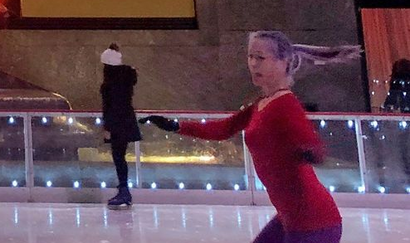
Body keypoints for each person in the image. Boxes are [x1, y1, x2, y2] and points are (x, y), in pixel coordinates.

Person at [142, 30, 359, 243]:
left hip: (313, 223)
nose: (253, 64)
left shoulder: (286, 105)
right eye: (251, 57)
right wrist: (176, 126)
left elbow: (313, 145)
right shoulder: (263, 103)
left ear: (283, 62)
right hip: (291, 218)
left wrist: (309, 151)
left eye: (261, 58)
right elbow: (224, 128)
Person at [99, 44, 140, 208]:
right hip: (127, 121)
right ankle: (124, 190)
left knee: (118, 157)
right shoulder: (126, 78)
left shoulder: (110, 84)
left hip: (117, 124)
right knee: (120, 156)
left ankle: (124, 190)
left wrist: (107, 127)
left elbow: (109, 106)